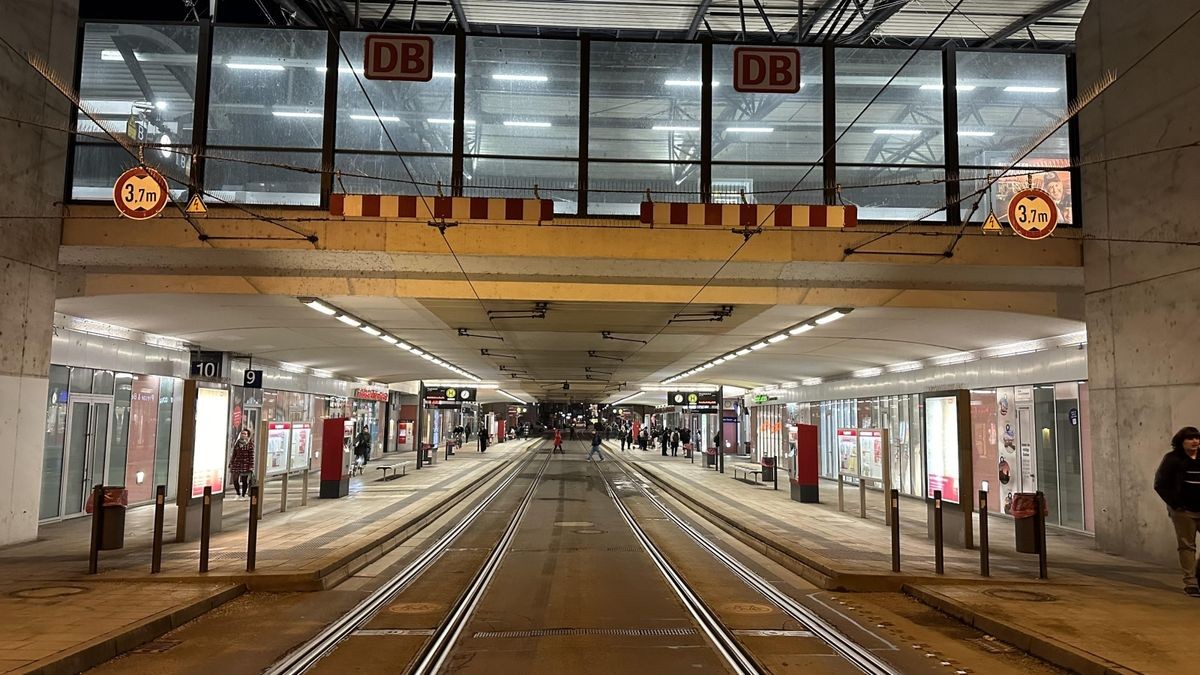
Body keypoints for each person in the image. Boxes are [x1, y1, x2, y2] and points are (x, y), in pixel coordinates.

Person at [1154, 426, 1200, 596]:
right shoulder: (1173, 459)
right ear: (1181, 442)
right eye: (1190, 438)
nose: (1195, 441)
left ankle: (1198, 574)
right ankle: (1191, 582)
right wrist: (1175, 504)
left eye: (1197, 438)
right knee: (1187, 546)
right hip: (1184, 511)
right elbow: (1160, 484)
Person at [229, 428, 254, 499]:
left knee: (244, 480)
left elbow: (251, 456)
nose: (243, 435)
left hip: (245, 464)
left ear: (247, 435)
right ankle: (238, 493)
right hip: (237, 463)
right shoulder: (237, 443)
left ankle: (243, 495)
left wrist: (251, 466)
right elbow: (234, 454)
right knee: (235, 479)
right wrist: (231, 462)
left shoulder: (250, 444)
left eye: (245, 434)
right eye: (242, 433)